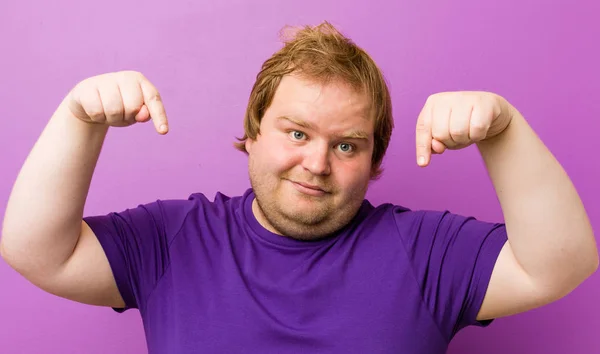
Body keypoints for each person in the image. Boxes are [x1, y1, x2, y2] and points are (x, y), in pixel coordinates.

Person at [1, 21, 597, 354]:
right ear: (254, 131)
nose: (317, 163)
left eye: (346, 144)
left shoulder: (424, 251)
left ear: (372, 158)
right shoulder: (174, 239)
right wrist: (78, 120)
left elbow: (559, 266)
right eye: (296, 132)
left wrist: (505, 129)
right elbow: (36, 252)